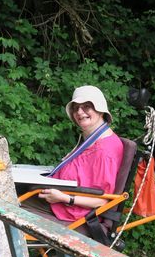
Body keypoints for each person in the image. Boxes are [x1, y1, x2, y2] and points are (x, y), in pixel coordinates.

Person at [25, 85, 124, 229]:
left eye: (86, 107)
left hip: (70, 210)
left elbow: (103, 201)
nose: (79, 112)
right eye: (76, 108)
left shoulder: (104, 150)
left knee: (8, 200)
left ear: (100, 110)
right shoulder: (91, 139)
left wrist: (64, 198)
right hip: (58, 198)